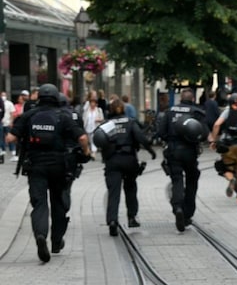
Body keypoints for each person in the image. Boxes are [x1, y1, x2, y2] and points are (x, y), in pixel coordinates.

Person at [7, 84, 91, 262]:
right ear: (56, 97)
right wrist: (86, 152)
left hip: (35, 165)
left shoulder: (29, 115)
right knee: (58, 203)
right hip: (59, 166)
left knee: (39, 203)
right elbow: (82, 138)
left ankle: (40, 235)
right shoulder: (64, 116)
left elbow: (11, 138)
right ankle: (56, 241)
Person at [95, 98, 156, 236]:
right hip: (129, 160)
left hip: (112, 161)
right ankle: (132, 218)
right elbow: (141, 138)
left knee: (113, 192)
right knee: (130, 188)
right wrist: (151, 151)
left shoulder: (107, 124)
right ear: (123, 109)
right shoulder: (130, 122)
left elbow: (98, 139)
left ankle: (112, 220)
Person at [159, 88, 206, 232]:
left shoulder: (170, 111)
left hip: (173, 151)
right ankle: (188, 213)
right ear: (192, 99)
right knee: (192, 178)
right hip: (190, 151)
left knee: (177, 179)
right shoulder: (197, 112)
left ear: (180, 99)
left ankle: (178, 207)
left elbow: (161, 132)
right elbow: (204, 133)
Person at [1, 91, 14, 162]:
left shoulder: (9, 103)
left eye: (4, 95)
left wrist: (11, 122)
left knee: (9, 137)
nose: (3, 96)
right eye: (2, 95)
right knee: (1, 138)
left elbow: (12, 113)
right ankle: (3, 150)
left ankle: (12, 150)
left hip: (7, 123)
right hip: (1, 123)